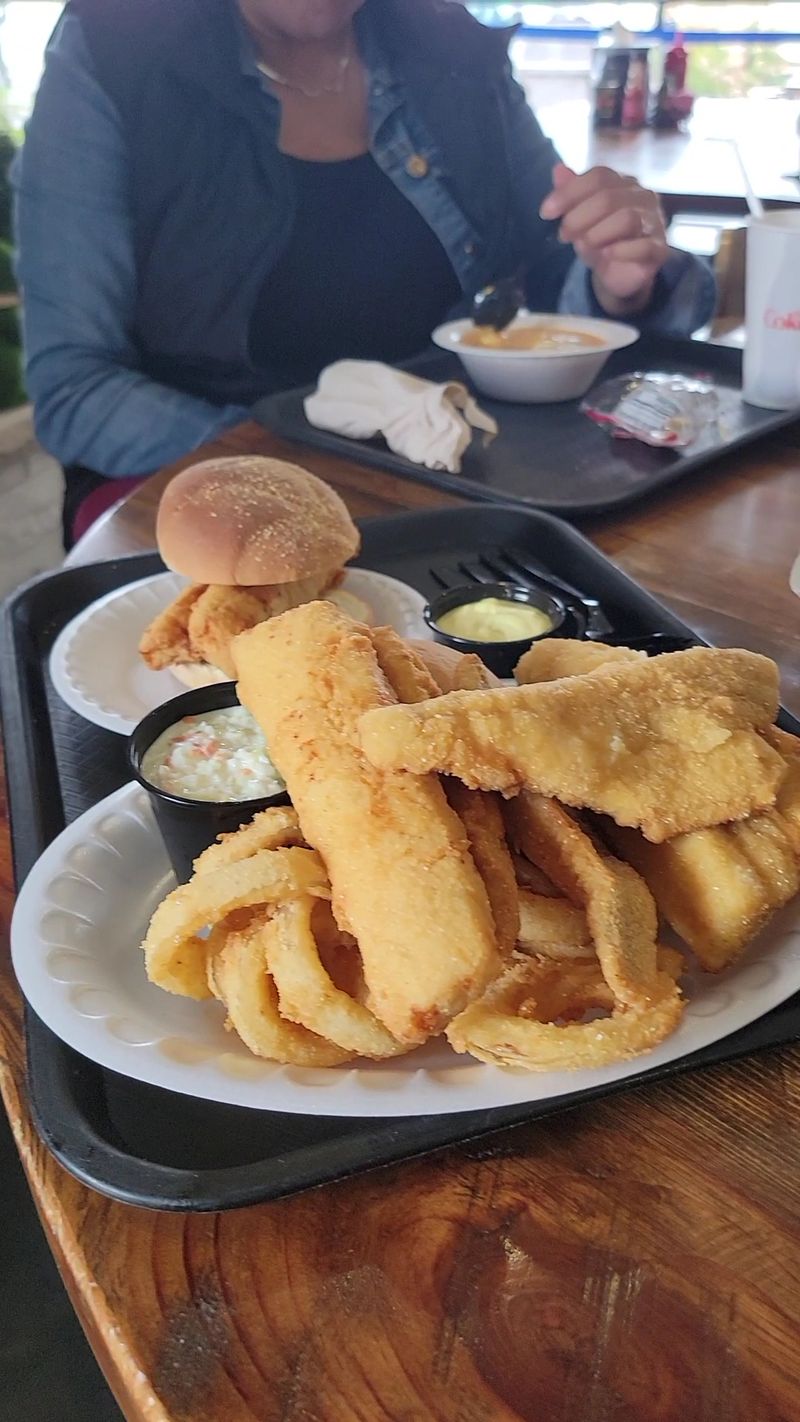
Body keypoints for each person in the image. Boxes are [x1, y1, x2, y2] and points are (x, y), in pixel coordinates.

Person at [14, 0, 714, 544]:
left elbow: (553, 267)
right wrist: (314, 469)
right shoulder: (114, 54)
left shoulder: (451, 47)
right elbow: (76, 389)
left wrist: (618, 284)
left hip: (455, 468)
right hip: (208, 480)